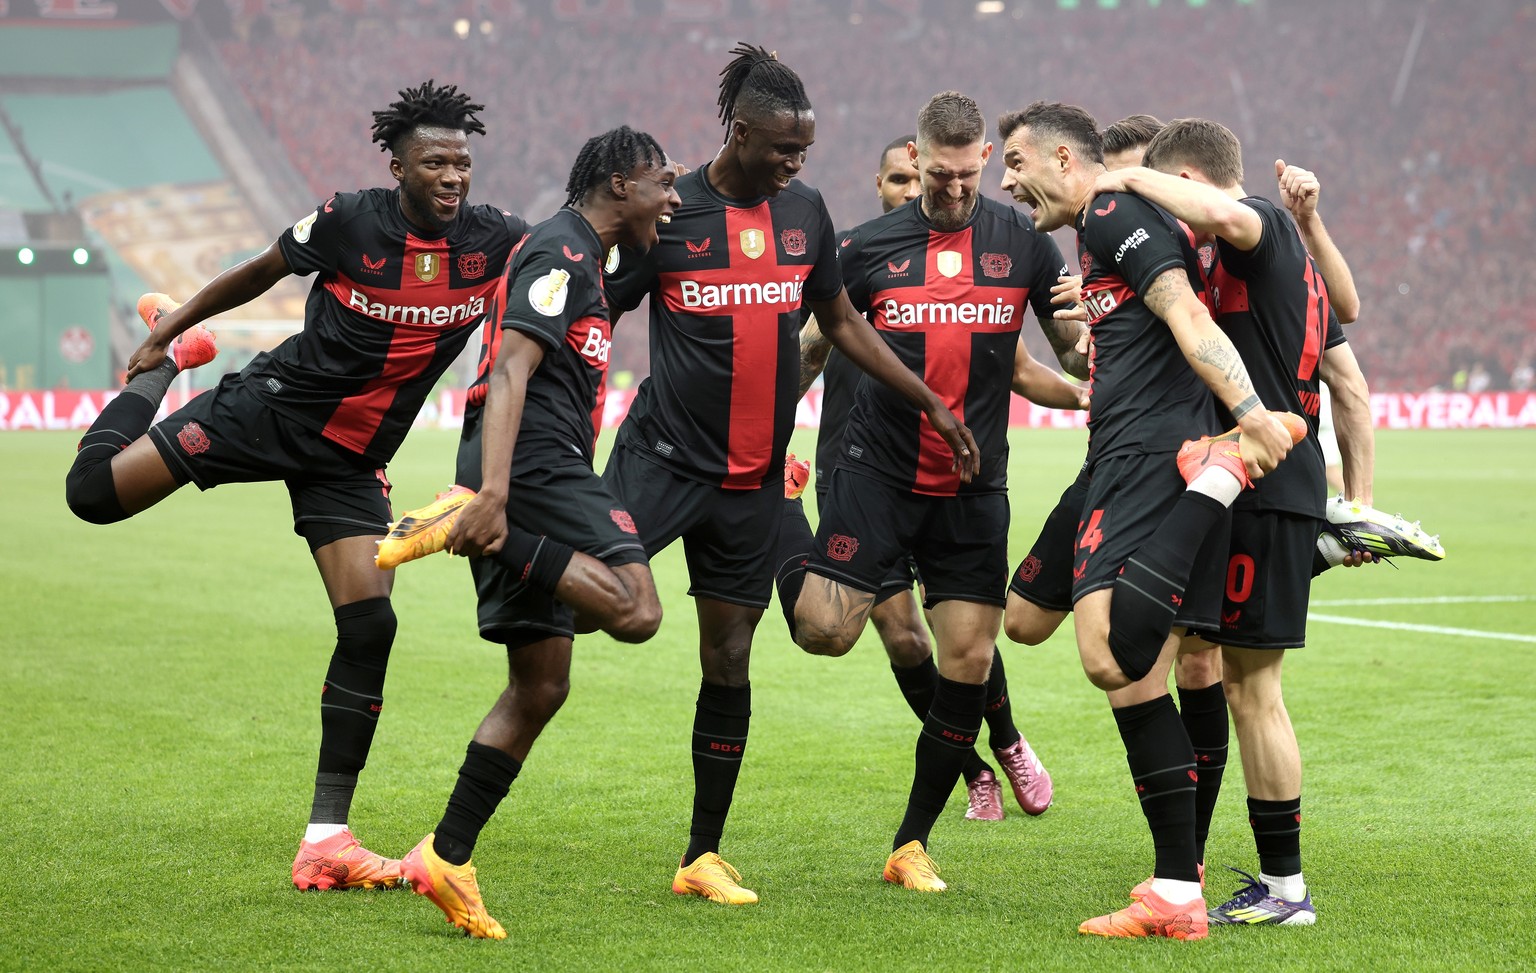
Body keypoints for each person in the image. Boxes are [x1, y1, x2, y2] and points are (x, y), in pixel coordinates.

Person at [63, 81, 528, 891]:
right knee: (92, 495)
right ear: (398, 167)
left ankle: (327, 839)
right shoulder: (351, 220)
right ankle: (170, 368)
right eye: (435, 162)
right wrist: (170, 330)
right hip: (270, 411)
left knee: (370, 624)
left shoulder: (498, 243)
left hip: (350, 460)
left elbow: (570, 275)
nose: (453, 176)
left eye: (462, 162)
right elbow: (257, 273)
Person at [600, 44, 977, 906]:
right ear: (739, 132)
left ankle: (702, 855)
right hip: (661, 462)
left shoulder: (804, 212)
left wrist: (928, 398)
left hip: (753, 480)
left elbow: (840, 321)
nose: (796, 164)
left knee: (729, 657)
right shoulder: (671, 212)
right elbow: (598, 305)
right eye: (782, 148)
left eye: (804, 150)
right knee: (579, 607)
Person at [996, 101, 1300, 940]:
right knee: (1026, 619)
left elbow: (1186, 314)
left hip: (1147, 453)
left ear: (1064, 157)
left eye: (1016, 163)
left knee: (1115, 661)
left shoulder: (1107, 209)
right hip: (1115, 453)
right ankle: (1176, 884)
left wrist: (1249, 418)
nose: (1007, 182)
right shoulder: (1098, 230)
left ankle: (1176, 887)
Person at [782, 91, 1080, 891]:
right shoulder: (866, 248)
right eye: (936, 176)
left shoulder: (1025, 242)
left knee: (969, 661)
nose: (950, 189)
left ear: (984, 158)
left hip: (973, 487)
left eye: (964, 174)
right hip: (877, 474)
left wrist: (1104, 327)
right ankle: (781, 528)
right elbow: (808, 349)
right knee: (822, 631)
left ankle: (910, 843)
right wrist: (767, 440)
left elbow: (1071, 355)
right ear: (916, 161)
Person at [384, 127, 678, 939]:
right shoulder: (562, 250)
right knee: (636, 608)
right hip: (531, 465)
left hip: (518, 466)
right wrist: (495, 499)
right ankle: (469, 523)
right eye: (662, 183)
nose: (672, 199)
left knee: (541, 684)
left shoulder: (587, 257)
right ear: (619, 183)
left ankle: (445, 854)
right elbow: (511, 368)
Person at [1096, 119, 1378, 926]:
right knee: (1219, 672)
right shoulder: (1266, 260)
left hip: (1265, 477)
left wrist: (1122, 179)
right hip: (1257, 480)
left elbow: (1224, 213)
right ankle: (1199, 864)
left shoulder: (1256, 224)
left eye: (1166, 188)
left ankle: (1285, 890)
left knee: (1253, 688)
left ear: (1187, 179)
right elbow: (1349, 335)